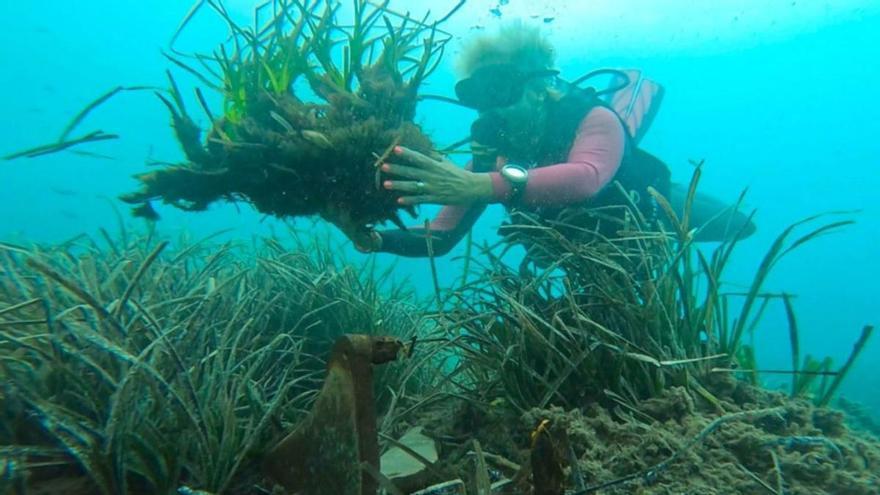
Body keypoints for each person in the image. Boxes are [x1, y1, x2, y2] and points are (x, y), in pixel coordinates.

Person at [341, 24, 755, 257]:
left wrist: (482, 186)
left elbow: (587, 177)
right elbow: (441, 235)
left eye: (501, 89)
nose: (492, 109)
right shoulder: (493, 152)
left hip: (644, 214)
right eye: (479, 96)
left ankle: (678, 194)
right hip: (579, 246)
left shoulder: (592, 118)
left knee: (740, 227)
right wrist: (380, 240)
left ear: (539, 88)